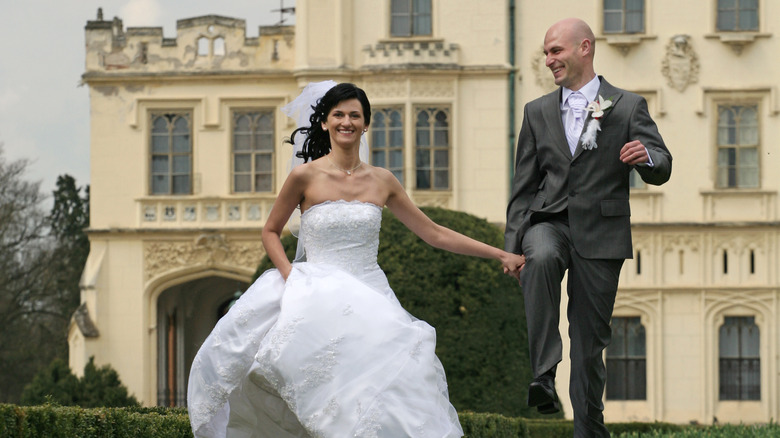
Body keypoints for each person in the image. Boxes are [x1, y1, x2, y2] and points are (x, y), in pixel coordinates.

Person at [187, 81, 526, 438]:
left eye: (354, 115)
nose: (346, 121)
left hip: (370, 296)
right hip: (313, 295)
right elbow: (270, 231)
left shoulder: (383, 181)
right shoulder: (304, 176)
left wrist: (500, 253)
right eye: (338, 114)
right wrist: (290, 275)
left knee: (388, 393)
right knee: (312, 390)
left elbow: (434, 233)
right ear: (324, 122)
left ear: (366, 124)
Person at [504, 18, 672, 437]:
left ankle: (589, 431)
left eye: (555, 51)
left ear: (584, 48)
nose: (549, 60)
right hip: (550, 220)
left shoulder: (628, 106)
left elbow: (663, 164)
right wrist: (512, 245)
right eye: (545, 53)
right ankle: (543, 375)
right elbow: (523, 187)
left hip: (602, 234)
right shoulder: (536, 111)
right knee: (540, 255)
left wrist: (646, 157)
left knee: (589, 347)